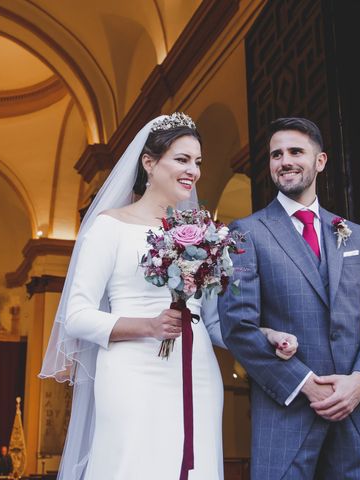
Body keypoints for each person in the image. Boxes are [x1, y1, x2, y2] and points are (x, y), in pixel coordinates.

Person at [39, 113, 298, 480]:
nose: (193, 170)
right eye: (181, 159)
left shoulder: (204, 232)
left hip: (196, 371)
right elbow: (77, 316)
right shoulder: (109, 227)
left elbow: (212, 322)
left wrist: (264, 335)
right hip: (131, 371)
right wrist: (148, 325)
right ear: (149, 163)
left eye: (197, 162)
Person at [219, 117, 360, 479]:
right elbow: (238, 327)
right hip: (287, 418)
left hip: (355, 418)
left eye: (296, 151)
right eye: (276, 154)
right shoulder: (245, 234)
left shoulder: (354, 235)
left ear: (320, 161)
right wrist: (308, 385)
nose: (284, 161)